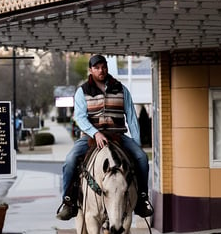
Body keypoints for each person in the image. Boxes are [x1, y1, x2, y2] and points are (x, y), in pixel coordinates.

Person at [56, 54, 154, 220]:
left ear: (107, 68)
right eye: (97, 67)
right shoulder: (83, 91)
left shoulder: (121, 89)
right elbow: (80, 117)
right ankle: (68, 202)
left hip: (117, 135)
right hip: (90, 137)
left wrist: (136, 143)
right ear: (91, 70)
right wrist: (96, 133)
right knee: (70, 159)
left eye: (103, 67)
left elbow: (131, 116)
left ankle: (142, 199)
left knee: (142, 158)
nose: (101, 70)